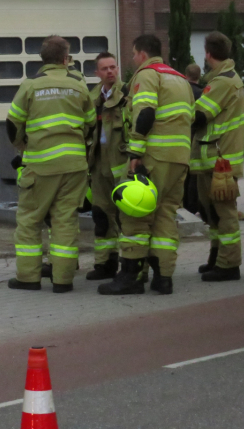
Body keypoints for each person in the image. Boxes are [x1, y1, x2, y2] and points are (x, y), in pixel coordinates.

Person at [98, 34, 194, 296]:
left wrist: (135, 153)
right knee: (165, 215)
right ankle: (163, 278)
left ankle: (130, 277)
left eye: (132, 54)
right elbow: (191, 118)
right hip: (179, 158)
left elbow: (146, 113)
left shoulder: (147, 75)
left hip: (154, 156)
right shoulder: (180, 79)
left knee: (135, 214)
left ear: (141, 53)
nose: (131, 59)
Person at [6, 36, 95, 293]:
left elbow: (13, 123)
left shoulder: (31, 85)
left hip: (40, 166)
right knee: (65, 221)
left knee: (30, 221)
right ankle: (63, 280)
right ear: (65, 59)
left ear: (42, 59)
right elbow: (91, 122)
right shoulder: (79, 85)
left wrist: (22, 146)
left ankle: (28, 278)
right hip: (74, 166)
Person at [190, 31, 244, 281]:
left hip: (221, 159)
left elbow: (199, 116)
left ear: (208, 54)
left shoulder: (223, 81)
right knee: (211, 211)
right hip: (210, 157)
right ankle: (216, 256)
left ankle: (229, 264)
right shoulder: (220, 79)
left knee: (224, 213)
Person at [86, 52, 128, 280]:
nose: (110, 71)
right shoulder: (92, 97)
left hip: (121, 163)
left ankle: (130, 263)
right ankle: (105, 263)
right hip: (99, 162)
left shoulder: (128, 94)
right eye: (105, 68)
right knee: (101, 215)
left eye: (113, 67)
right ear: (97, 73)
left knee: (126, 217)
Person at [182, 63, 203, 214]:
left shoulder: (181, 92)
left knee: (184, 174)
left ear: (185, 75)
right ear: (199, 75)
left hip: (182, 135)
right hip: (196, 136)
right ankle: (194, 205)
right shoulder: (202, 93)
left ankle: (185, 205)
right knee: (194, 174)